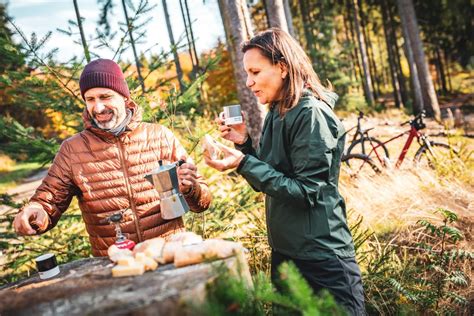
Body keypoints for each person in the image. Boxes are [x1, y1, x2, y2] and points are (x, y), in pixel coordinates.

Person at [204, 29, 365, 314]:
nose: (249, 82)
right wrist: (244, 145)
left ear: (282, 67)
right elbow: (269, 178)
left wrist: (243, 163)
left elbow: (305, 192)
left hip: (322, 260)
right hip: (287, 257)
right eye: (247, 73)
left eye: (255, 71)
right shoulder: (278, 112)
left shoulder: (311, 114)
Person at [13, 58, 211, 256]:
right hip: (114, 264)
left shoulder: (160, 136)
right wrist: (35, 211)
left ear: (124, 97)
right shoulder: (72, 150)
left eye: (105, 97)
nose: (98, 108)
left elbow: (203, 202)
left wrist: (191, 189)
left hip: (170, 254)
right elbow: (49, 201)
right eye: (90, 100)